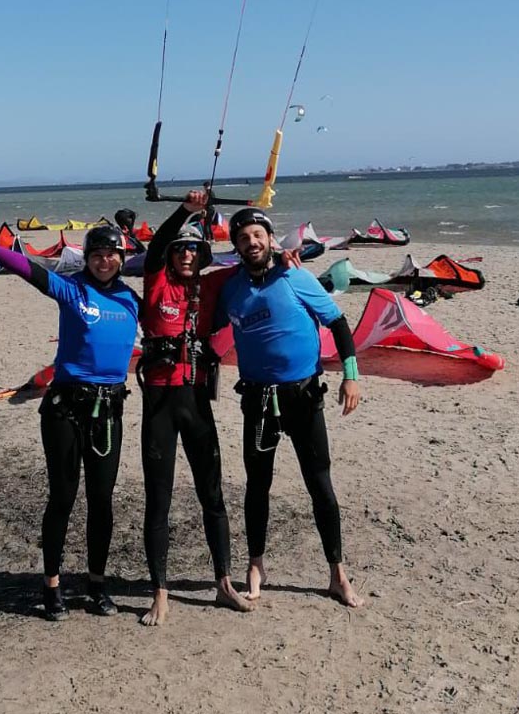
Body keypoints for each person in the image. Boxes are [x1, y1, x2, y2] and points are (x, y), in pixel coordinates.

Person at [0, 205, 139, 621]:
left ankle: (96, 583)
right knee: (63, 497)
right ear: (87, 258)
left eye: (112, 254)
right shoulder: (72, 290)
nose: (104, 261)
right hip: (65, 409)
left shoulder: (131, 299)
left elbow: (174, 297)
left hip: (108, 410)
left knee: (102, 502)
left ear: (122, 258)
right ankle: (52, 585)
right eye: (96, 255)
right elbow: (27, 269)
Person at [215, 206, 364, 608]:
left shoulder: (295, 276)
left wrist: (351, 374)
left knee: (320, 485)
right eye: (244, 238)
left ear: (269, 238)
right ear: (237, 247)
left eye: (258, 236)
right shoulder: (230, 288)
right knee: (257, 486)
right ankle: (256, 565)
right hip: (259, 400)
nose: (252, 243)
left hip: (303, 397)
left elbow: (338, 323)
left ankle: (337, 573)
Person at [136, 190, 251, 626]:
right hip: (161, 403)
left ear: (202, 255)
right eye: (180, 249)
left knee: (213, 496)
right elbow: (153, 247)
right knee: (158, 500)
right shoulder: (155, 281)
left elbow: (252, 262)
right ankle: (160, 593)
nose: (186, 255)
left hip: (197, 401)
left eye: (193, 250)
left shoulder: (211, 283)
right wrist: (186, 211)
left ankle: (223, 584)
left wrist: (286, 259)